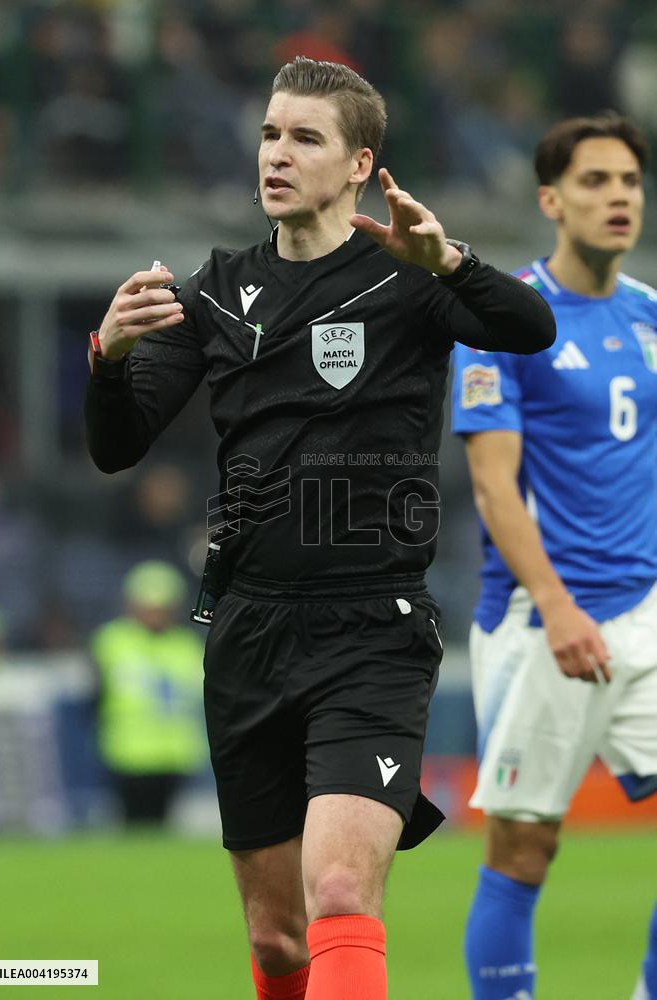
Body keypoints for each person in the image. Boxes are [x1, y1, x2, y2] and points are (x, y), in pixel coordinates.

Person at [85, 57, 554, 1000]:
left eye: (305, 138)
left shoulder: (408, 278)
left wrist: (451, 259)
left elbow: (531, 325)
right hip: (250, 632)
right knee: (277, 940)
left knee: (341, 886)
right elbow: (117, 445)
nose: (278, 154)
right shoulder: (214, 292)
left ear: (358, 165)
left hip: (371, 628)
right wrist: (109, 355)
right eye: (269, 133)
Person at [452, 111, 657, 1000]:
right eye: (594, 182)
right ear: (550, 200)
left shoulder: (654, 316)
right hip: (544, 622)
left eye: (629, 182)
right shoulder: (507, 321)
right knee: (524, 845)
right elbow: (495, 489)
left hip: (644, 612)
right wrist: (561, 605)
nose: (617, 199)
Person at [91, 561, 207, 824]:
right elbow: (95, 696)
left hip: (175, 751)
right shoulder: (111, 640)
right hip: (127, 751)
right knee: (132, 824)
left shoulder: (186, 644)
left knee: (163, 826)